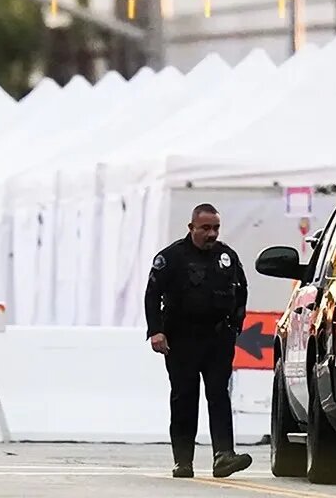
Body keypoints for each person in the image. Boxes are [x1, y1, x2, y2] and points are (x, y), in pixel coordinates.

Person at [144, 203, 253, 479]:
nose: (212, 233)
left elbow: (241, 292)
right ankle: (183, 460)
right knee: (184, 397)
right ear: (191, 227)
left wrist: (235, 327)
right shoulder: (171, 258)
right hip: (181, 339)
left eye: (216, 228)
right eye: (206, 228)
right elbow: (151, 295)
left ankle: (224, 456)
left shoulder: (227, 256)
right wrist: (156, 331)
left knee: (219, 395)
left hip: (217, 339)